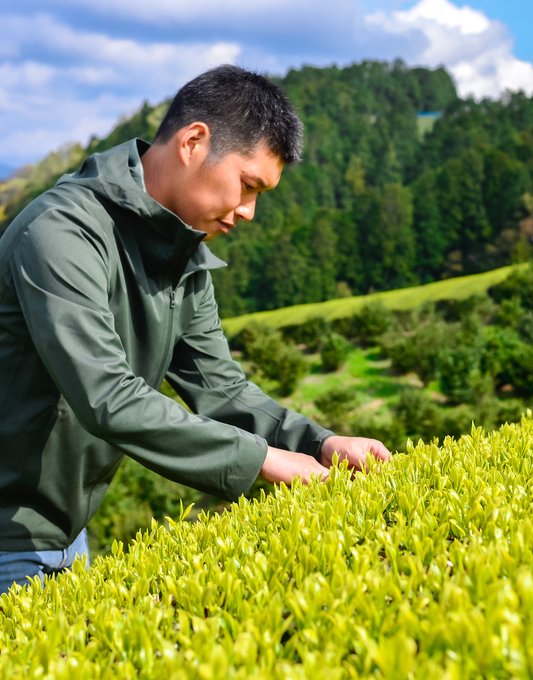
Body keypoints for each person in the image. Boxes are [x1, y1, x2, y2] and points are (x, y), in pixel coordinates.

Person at [0, 65, 391, 594]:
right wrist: (268, 461)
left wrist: (319, 444)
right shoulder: (61, 233)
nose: (249, 212)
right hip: (10, 541)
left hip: (66, 535)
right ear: (193, 141)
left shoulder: (184, 255)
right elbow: (106, 396)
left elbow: (221, 388)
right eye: (247, 186)